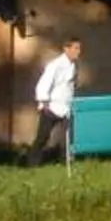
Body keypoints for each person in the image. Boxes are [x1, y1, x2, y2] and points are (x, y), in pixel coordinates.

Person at [32, 35, 83, 164]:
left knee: (69, 136)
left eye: (79, 48)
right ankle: (32, 163)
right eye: (76, 48)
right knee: (43, 137)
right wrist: (43, 102)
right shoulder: (56, 65)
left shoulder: (74, 65)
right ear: (66, 49)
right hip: (52, 107)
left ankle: (65, 160)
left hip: (66, 106)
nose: (78, 51)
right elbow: (44, 83)